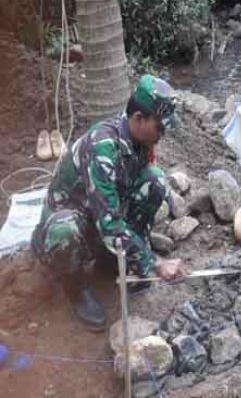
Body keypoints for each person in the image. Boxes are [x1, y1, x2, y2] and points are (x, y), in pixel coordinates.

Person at [31, 75, 185, 331]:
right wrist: (154, 263)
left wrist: (139, 253)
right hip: (71, 217)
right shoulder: (103, 147)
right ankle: (74, 286)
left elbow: (128, 193)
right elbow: (111, 224)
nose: (163, 133)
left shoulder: (140, 140)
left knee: (155, 182)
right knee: (65, 231)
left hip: (99, 213)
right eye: (160, 127)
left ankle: (110, 259)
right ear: (138, 119)